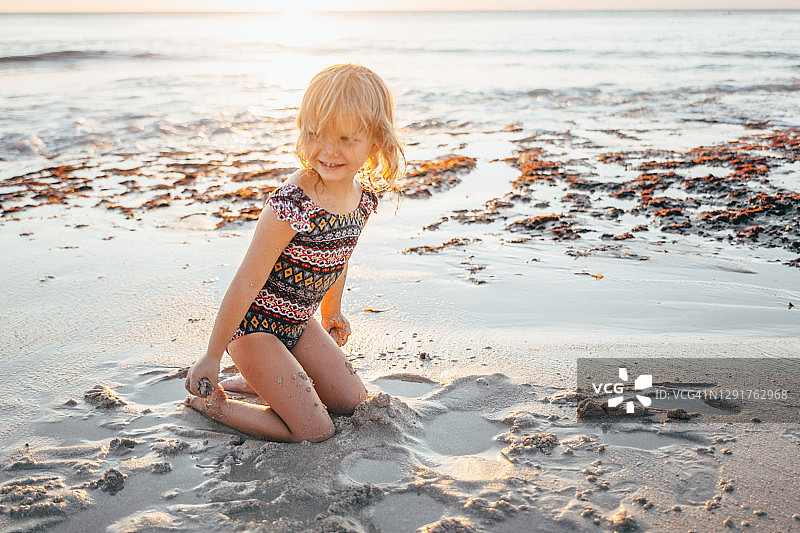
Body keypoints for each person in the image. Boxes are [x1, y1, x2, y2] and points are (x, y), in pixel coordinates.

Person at [184, 64, 404, 442]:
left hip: (298, 324)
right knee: (316, 430)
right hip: (253, 330)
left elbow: (340, 257)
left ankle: (266, 380)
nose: (328, 151)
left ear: (375, 141)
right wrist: (212, 356)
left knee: (356, 402)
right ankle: (216, 406)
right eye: (316, 134)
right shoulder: (294, 202)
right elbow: (247, 280)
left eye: (345, 139)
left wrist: (331, 311)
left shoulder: (363, 199)